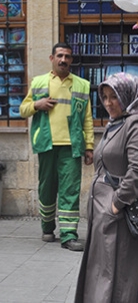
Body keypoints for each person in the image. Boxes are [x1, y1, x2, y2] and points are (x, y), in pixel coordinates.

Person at [19, 42, 94, 252]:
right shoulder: (39, 82)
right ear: (52, 58)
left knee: (70, 190)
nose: (63, 60)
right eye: (60, 55)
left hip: (72, 146)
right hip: (46, 144)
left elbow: (87, 118)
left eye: (67, 56)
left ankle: (69, 235)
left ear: (71, 60)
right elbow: (23, 110)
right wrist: (37, 105)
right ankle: (47, 227)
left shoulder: (82, 85)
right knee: (47, 188)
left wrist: (89, 146)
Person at [75, 72, 138, 302]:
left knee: (117, 274)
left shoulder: (134, 123)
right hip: (101, 214)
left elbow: (136, 170)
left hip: (116, 216)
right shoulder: (115, 123)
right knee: (102, 271)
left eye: (115, 97)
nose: (109, 103)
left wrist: (116, 203)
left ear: (127, 95)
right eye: (105, 97)